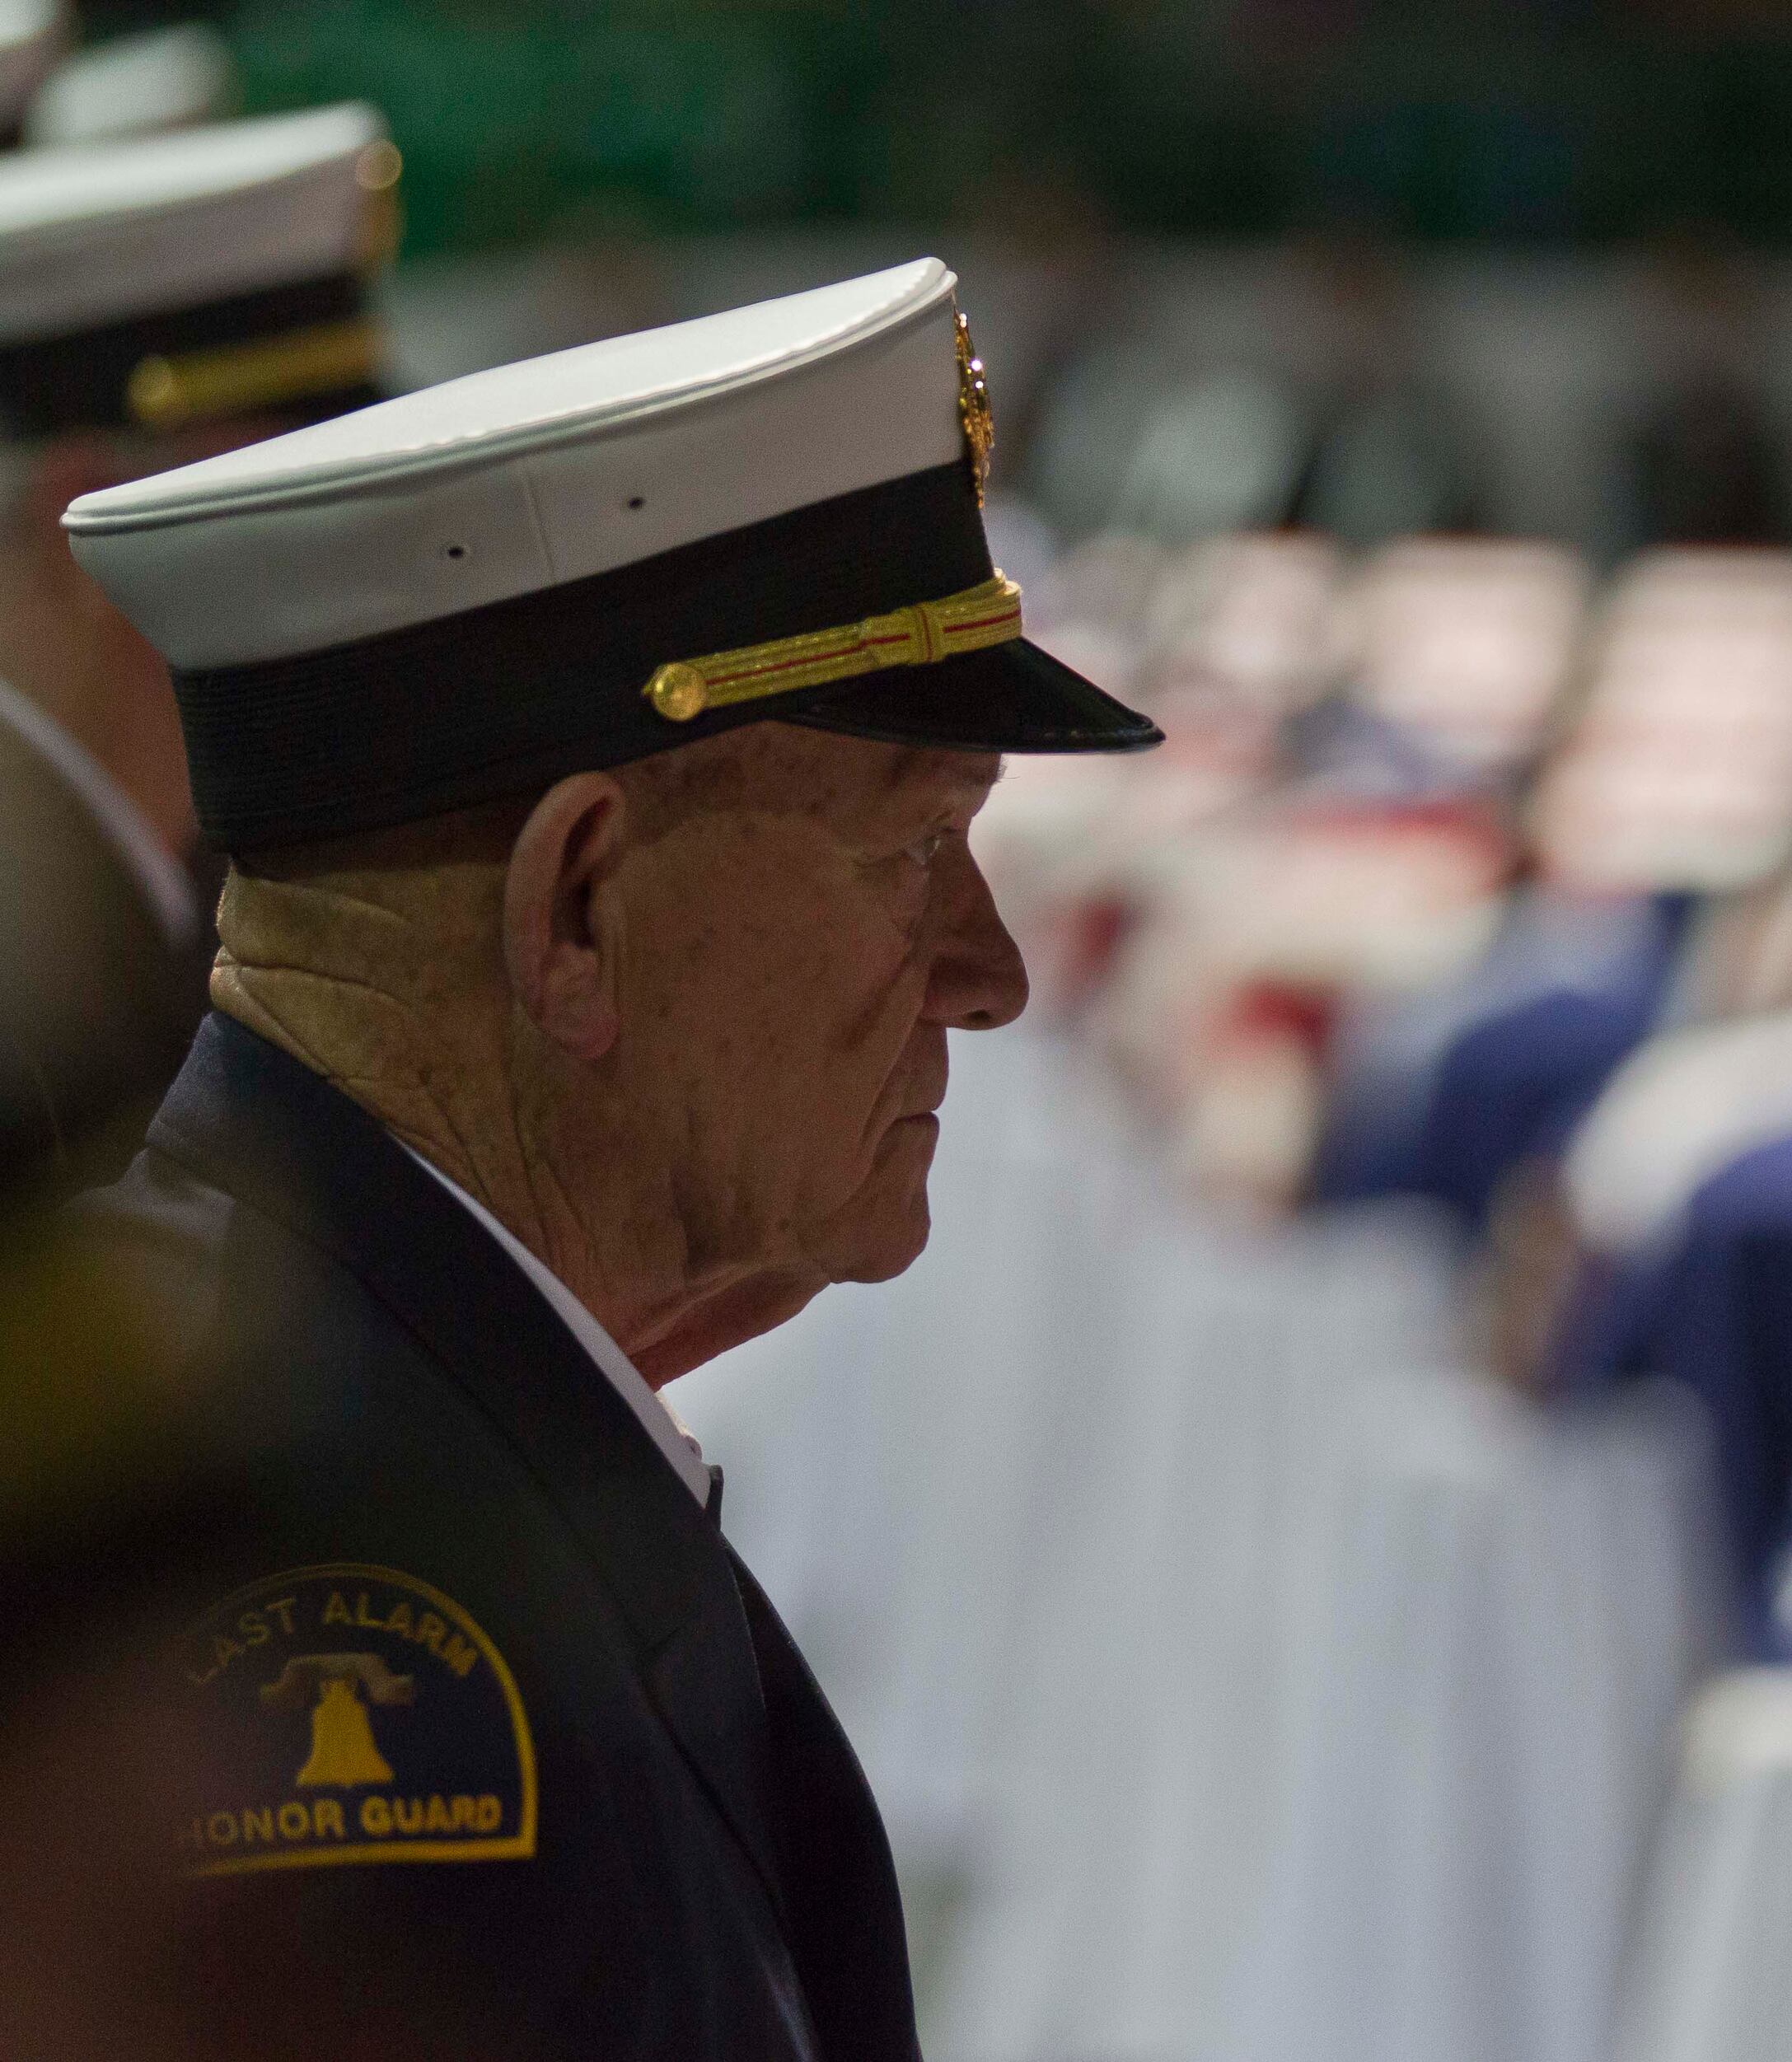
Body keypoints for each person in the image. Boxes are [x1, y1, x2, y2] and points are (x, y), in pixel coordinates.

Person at [53, 258, 1158, 2057]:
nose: (994, 972)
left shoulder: (355, 1411)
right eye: (913, 853)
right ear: (576, 906)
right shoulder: (351, 1613)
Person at [0, 105, 399, 1204]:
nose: (367, 562)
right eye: (293, 494)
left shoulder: (93, 908)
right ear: (90, 518)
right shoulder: (40, 963)